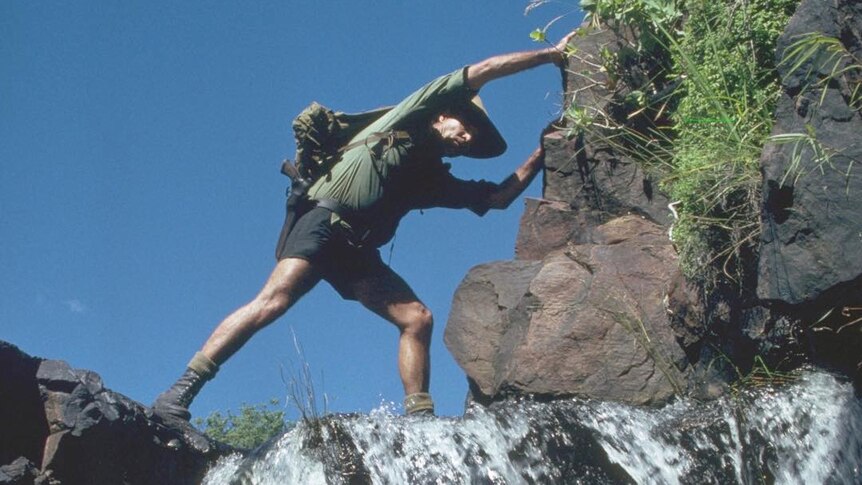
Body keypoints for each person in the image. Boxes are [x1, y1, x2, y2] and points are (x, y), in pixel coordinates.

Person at [152, 31, 576, 420]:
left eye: (474, 140)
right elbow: (481, 71)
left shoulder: (431, 180)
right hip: (322, 220)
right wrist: (549, 55)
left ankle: (420, 419)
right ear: (442, 115)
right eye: (466, 127)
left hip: (354, 252)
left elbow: (497, 200)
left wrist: (542, 152)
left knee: (417, 318)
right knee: (273, 301)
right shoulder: (409, 116)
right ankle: (180, 393)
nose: (467, 140)